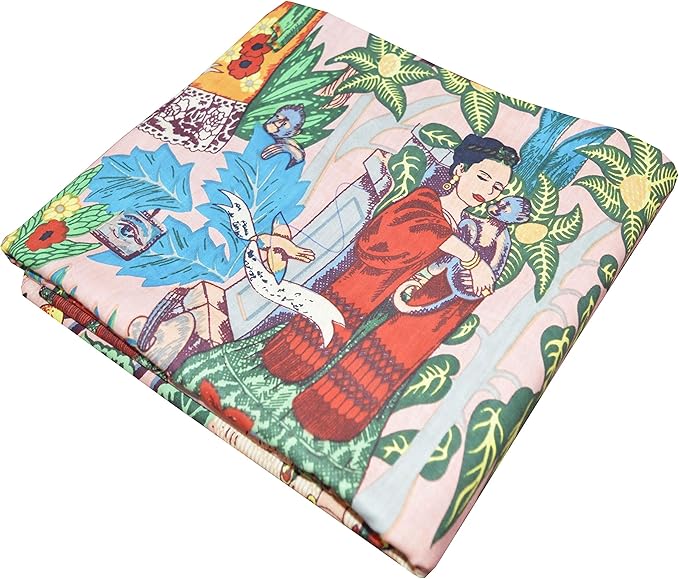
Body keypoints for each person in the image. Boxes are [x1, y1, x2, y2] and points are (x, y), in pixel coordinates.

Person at [261, 134, 520, 441]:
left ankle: (326, 412)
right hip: (362, 295)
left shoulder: (465, 228)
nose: (487, 191)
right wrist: (471, 258)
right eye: (483, 177)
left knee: (367, 367)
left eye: (496, 188)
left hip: (397, 310)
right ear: (461, 170)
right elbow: (408, 231)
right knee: (302, 352)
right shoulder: (426, 201)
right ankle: (285, 368)